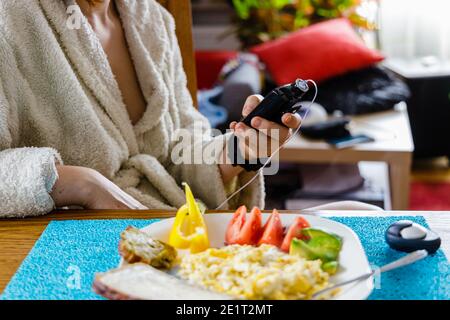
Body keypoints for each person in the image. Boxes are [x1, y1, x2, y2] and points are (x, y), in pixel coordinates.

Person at [0, 0, 302, 217]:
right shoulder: (8, 18)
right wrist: (81, 184)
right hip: (67, 242)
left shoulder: (152, 19)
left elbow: (181, 146)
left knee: (350, 210)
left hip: (166, 227)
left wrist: (242, 151)